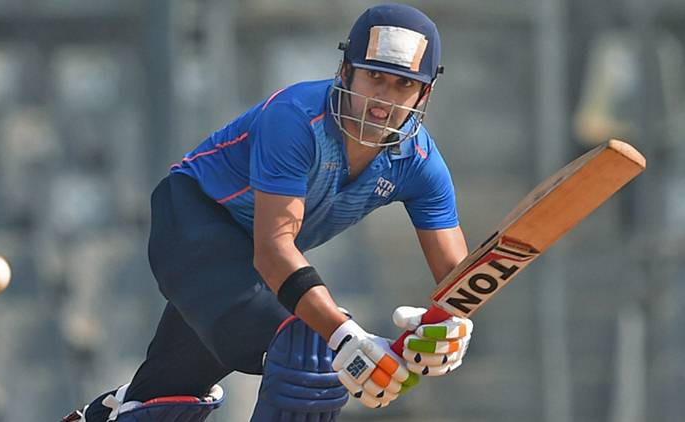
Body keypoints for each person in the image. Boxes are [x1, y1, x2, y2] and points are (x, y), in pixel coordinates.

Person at [61, 4, 474, 422]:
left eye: (403, 84)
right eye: (375, 77)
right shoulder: (297, 118)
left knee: (165, 400)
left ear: (424, 93)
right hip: (193, 225)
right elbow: (274, 250)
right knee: (311, 349)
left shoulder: (420, 162)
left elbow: (458, 278)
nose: (382, 101)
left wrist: (447, 330)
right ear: (346, 71)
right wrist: (344, 336)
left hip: (250, 271)